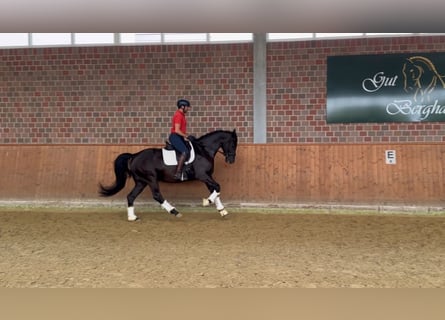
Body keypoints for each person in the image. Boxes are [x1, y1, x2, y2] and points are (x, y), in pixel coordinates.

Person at [169, 99, 192, 180]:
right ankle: (178, 173)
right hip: (175, 136)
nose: (188, 109)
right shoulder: (178, 115)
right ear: (182, 107)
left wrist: (185, 137)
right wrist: (186, 136)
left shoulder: (182, 115)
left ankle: (186, 170)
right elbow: (177, 130)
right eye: (187, 107)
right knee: (185, 151)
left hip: (179, 136)